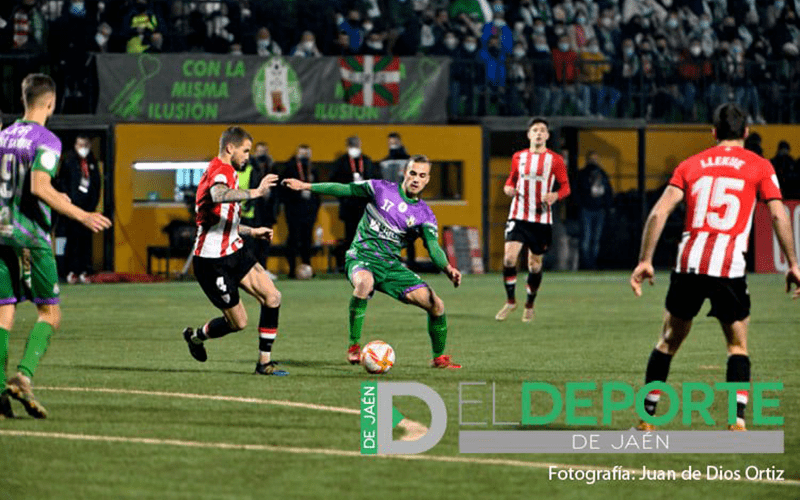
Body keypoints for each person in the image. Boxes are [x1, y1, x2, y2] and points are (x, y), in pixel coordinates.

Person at [630, 103, 800, 432]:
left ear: (713, 133)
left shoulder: (691, 165)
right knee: (737, 345)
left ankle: (647, 418)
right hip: (728, 268)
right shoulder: (759, 166)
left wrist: (645, 260)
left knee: (667, 341)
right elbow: (778, 214)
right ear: (746, 133)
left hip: (688, 264)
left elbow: (658, 213)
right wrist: (793, 264)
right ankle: (736, 421)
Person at [0, 74, 112, 419]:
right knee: (50, 312)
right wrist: (81, 214)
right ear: (50, 102)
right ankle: (24, 375)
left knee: (3, 313)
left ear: (24, 99)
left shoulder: (3, 136)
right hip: (30, 237)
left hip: (1, 232)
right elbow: (38, 186)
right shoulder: (45, 139)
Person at [283, 155, 463, 369]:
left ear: (427, 180)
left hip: (390, 266)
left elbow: (433, 247)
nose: (416, 179)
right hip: (361, 256)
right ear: (404, 173)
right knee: (365, 283)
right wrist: (305, 185)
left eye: (422, 175)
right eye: (413, 173)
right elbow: (344, 189)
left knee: (437, 304)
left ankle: (439, 358)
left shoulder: (424, 215)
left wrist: (447, 267)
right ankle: (354, 346)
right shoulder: (380, 189)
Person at [181, 127, 287, 376]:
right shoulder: (220, 170)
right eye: (245, 150)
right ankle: (195, 337)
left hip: (235, 250)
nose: (248, 156)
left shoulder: (227, 171)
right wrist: (256, 192)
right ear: (230, 148)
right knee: (238, 323)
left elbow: (223, 219)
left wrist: (252, 231)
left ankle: (264, 363)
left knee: (273, 297)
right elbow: (218, 195)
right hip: (211, 261)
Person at [495, 117, 570, 323]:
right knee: (509, 258)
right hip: (518, 215)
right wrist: (507, 188)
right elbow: (511, 179)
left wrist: (555, 196)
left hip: (541, 219)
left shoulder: (555, 160)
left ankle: (529, 305)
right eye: (535, 130)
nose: (538, 133)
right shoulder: (518, 157)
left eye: (542, 130)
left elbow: (565, 187)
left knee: (534, 265)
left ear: (547, 135)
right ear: (529, 134)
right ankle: (511, 301)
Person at [57, 135, 102, 284]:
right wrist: (68, 205)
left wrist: (91, 207)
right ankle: (68, 272)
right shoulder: (68, 161)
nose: (84, 148)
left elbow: (96, 185)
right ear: (75, 145)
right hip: (70, 212)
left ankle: (84, 271)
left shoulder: (92, 162)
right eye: (81, 145)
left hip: (87, 211)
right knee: (68, 242)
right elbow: (61, 183)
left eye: (86, 145)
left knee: (85, 243)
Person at [331, 136, 375, 270]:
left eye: (356, 145)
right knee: (350, 237)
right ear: (347, 146)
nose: (354, 147)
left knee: (366, 236)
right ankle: (351, 264)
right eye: (352, 145)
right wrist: (344, 195)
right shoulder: (342, 162)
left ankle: (367, 263)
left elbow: (375, 181)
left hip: (365, 206)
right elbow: (334, 181)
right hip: (348, 206)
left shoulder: (366, 161)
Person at [280, 144, 320, 278]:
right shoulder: (290, 169)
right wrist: (298, 194)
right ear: (297, 154)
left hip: (309, 211)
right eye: (302, 154)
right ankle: (292, 270)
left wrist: (315, 208)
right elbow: (284, 190)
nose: (304, 157)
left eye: (307, 154)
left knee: (307, 241)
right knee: (293, 240)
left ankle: (307, 268)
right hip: (294, 211)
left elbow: (318, 191)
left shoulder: (312, 169)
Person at [576, 151, 613, 269]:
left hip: (598, 209)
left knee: (595, 240)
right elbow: (577, 191)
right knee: (586, 239)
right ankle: (586, 265)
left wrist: (608, 206)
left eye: (595, 159)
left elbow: (608, 191)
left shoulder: (602, 174)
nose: (593, 161)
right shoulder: (582, 174)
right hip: (587, 209)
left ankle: (592, 265)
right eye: (591, 159)